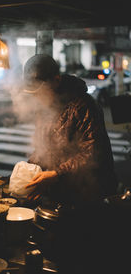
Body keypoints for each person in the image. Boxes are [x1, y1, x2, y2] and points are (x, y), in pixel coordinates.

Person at [22, 54, 118, 207]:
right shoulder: (44, 108)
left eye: (40, 91)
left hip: (89, 193)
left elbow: (93, 153)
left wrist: (57, 174)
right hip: (60, 192)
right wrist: (28, 169)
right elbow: (44, 148)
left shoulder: (84, 105)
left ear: (56, 80)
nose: (37, 97)